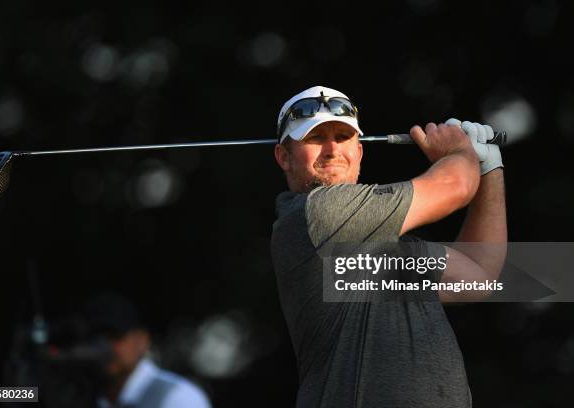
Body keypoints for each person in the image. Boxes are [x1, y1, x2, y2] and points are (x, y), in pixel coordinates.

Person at [270, 86, 507, 407]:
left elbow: (479, 276)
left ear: (360, 151)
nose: (331, 149)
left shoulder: (382, 242)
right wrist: (459, 153)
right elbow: (454, 186)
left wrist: (489, 169)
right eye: (315, 138)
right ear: (283, 157)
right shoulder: (315, 214)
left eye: (342, 136)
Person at [82, 292, 212, 408]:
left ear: (142, 340)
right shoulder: (86, 398)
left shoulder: (178, 397)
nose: (103, 346)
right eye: (94, 338)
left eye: (115, 336)